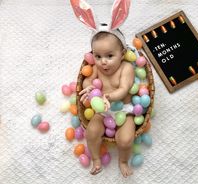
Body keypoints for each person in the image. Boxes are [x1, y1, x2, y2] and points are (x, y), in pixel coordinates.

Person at [70, 0, 133, 177]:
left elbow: (124, 89)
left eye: (109, 56)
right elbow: (87, 81)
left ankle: (123, 160)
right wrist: (89, 89)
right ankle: (96, 159)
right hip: (101, 111)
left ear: (122, 54)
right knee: (91, 132)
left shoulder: (126, 68)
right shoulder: (97, 68)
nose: (103, 61)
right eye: (97, 56)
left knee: (125, 139)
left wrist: (110, 98)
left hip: (124, 110)